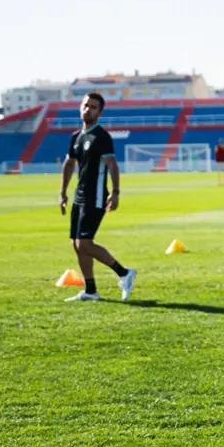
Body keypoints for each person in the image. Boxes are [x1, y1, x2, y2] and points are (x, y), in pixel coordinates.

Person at [59, 93, 137, 303]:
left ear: (100, 112)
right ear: (80, 107)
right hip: (79, 195)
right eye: (86, 105)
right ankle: (91, 290)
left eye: (93, 107)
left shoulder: (101, 137)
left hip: (95, 196)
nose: (88, 110)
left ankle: (124, 272)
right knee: (76, 244)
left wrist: (115, 192)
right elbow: (69, 164)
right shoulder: (76, 137)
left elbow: (112, 165)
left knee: (84, 243)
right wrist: (63, 192)